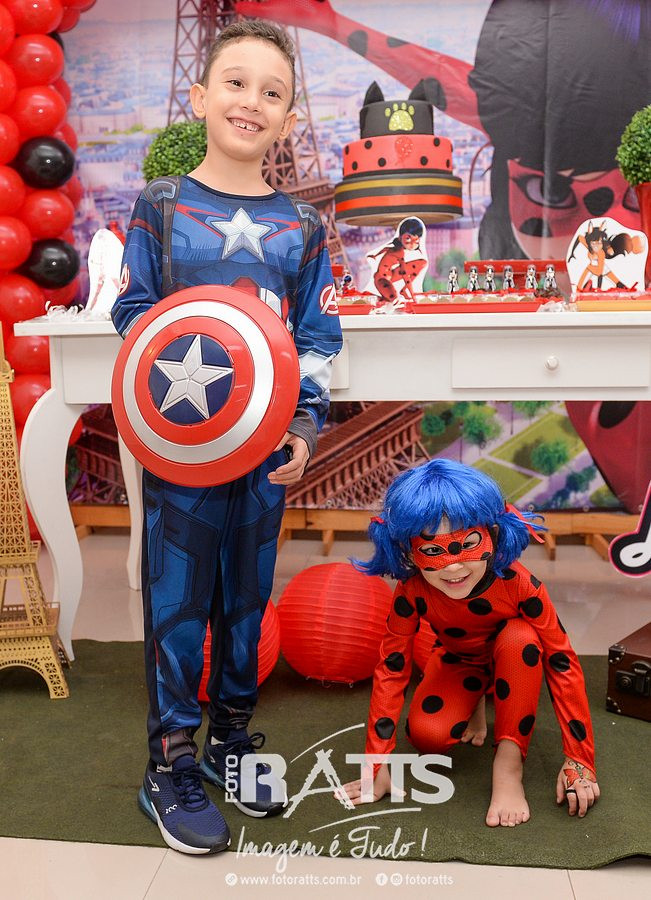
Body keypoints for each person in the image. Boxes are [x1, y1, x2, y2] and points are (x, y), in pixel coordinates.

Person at [111, 19, 342, 855]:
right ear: (201, 97)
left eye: (272, 92)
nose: (252, 102)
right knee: (176, 600)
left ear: (289, 118)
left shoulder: (301, 226)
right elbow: (134, 313)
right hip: (182, 449)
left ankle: (231, 739)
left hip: (265, 451)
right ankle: (169, 759)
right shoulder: (162, 203)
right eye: (236, 83)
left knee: (245, 598)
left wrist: (305, 426)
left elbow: (317, 338)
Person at [343, 459, 600, 827]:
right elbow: (392, 668)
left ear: (492, 534)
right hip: (460, 659)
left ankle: (508, 766)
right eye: (433, 551)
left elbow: (562, 661)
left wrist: (580, 759)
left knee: (520, 638)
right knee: (428, 736)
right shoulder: (411, 591)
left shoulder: (520, 584)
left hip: (516, 662)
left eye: (466, 545)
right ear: (408, 551)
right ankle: (476, 696)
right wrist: (376, 764)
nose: (452, 567)